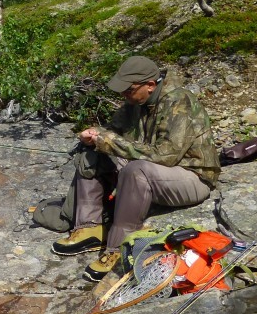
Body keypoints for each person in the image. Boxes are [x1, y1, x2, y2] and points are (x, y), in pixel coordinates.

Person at [50, 56, 221, 282]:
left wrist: (110, 141)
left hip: (193, 177)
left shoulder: (180, 102)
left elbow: (166, 155)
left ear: (150, 85)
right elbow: (113, 132)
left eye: (128, 90)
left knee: (136, 170)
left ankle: (120, 247)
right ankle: (90, 227)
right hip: (154, 171)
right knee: (93, 154)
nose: (124, 95)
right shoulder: (135, 103)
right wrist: (95, 135)